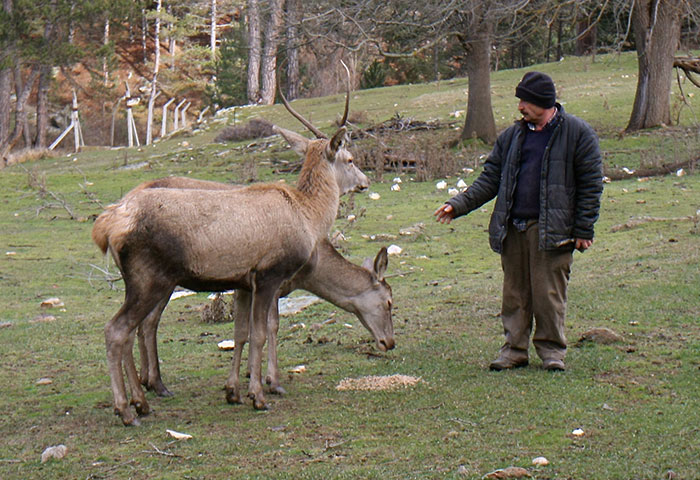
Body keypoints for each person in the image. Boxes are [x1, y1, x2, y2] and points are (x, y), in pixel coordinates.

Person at [434, 71, 603, 371]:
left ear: (543, 102)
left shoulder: (578, 134)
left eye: (526, 101)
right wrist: (457, 205)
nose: (520, 107)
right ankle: (514, 350)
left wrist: (584, 229)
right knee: (514, 294)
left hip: (553, 231)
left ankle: (552, 352)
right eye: (520, 100)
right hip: (513, 228)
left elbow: (591, 186)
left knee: (548, 295)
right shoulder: (512, 137)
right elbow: (490, 179)